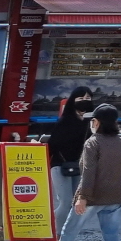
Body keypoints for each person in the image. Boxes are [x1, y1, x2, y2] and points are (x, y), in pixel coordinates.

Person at [38, 104, 121, 241]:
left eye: (93, 120)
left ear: (97, 122)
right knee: (111, 238)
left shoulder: (93, 142)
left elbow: (88, 173)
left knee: (69, 230)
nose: (91, 123)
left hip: (92, 197)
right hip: (116, 196)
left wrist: (82, 198)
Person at [47, 87, 95, 228]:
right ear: (72, 101)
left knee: (76, 201)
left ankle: (65, 230)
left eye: (88, 99)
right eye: (80, 99)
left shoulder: (92, 123)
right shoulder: (64, 122)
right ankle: (57, 234)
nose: (84, 102)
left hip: (80, 166)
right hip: (60, 165)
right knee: (66, 201)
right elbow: (52, 145)